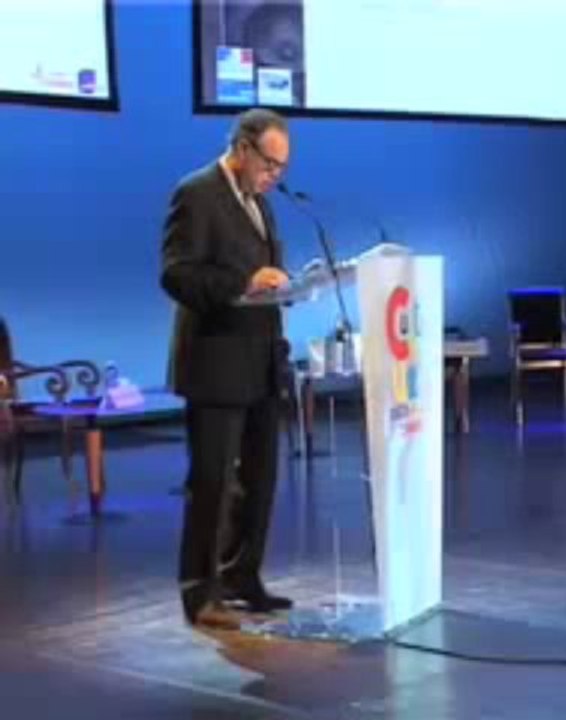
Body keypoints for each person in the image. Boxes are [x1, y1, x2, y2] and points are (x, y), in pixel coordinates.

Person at [161, 108, 294, 630]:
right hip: (215, 362)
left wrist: (286, 284)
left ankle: (242, 576)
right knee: (212, 483)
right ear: (242, 148)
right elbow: (177, 275)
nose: (275, 175)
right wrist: (244, 283)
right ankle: (200, 593)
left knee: (260, 479)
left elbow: (260, 274)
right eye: (269, 163)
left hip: (260, 360)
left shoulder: (259, 202)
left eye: (282, 167)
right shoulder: (197, 193)